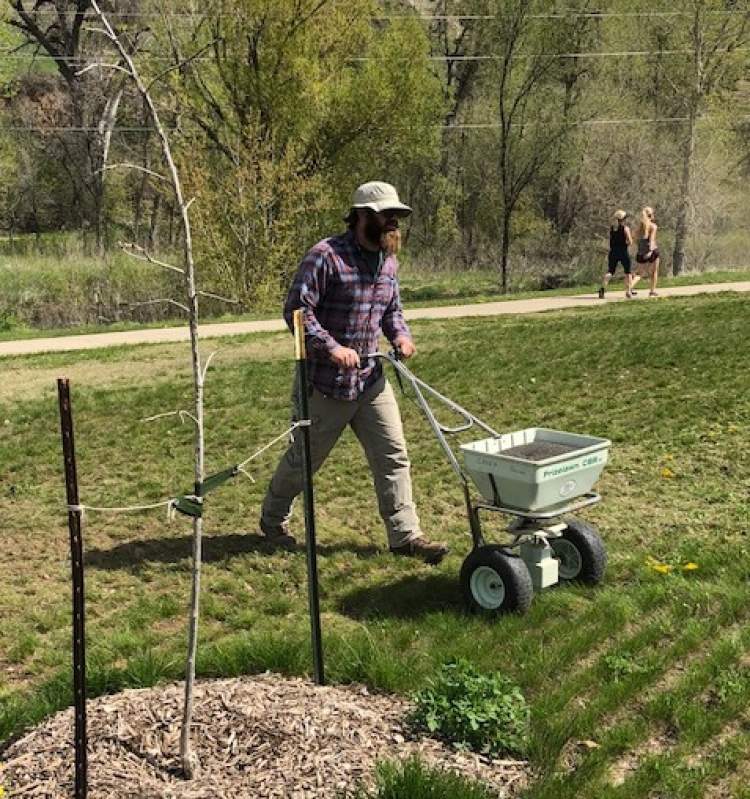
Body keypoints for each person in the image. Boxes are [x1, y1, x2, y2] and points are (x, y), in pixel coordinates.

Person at [258, 181, 449, 565]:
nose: (394, 222)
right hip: (325, 385)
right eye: (387, 215)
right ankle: (273, 520)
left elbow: (392, 310)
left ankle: (405, 536)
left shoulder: (388, 262)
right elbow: (296, 311)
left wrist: (401, 336)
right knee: (303, 461)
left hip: (371, 382)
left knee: (393, 456)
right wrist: (332, 348)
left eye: (396, 215)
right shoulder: (326, 256)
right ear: (362, 216)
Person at [598, 209, 634, 299]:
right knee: (628, 272)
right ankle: (628, 291)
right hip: (623, 252)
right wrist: (626, 242)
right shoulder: (625, 228)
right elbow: (630, 241)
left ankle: (602, 288)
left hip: (613, 252)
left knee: (610, 271)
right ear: (623, 219)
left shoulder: (612, 228)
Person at [631, 206, 660, 297]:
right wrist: (650, 251)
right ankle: (652, 291)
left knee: (640, 273)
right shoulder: (653, 226)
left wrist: (640, 246)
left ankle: (630, 287)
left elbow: (633, 238)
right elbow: (651, 240)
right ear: (650, 215)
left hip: (641, 252)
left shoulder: (639, 228)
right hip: (652, 251)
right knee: (654, 272)